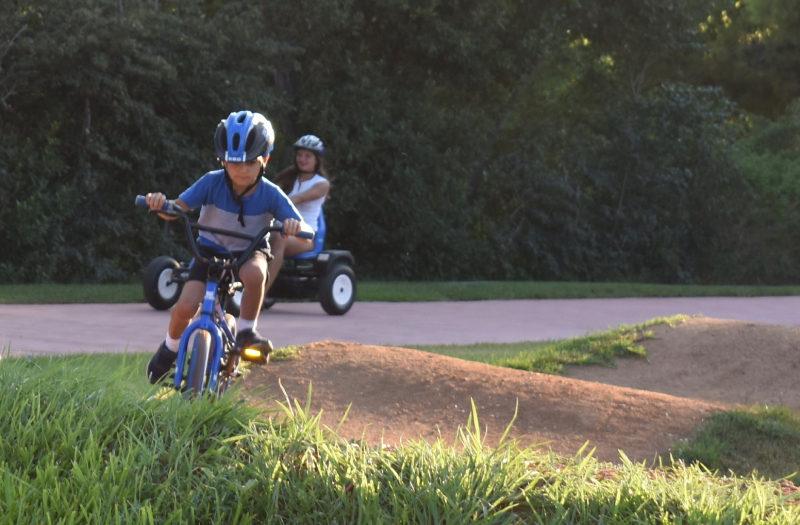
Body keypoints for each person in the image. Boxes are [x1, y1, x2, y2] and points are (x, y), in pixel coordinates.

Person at [144, 111, 313, 384]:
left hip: (248, 253)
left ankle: (246, 331)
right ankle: (169, 349)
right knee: (184, 307)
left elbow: (307, 235)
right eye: (234, 163)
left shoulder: (271, 193)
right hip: (209, 252)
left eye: (250, 162)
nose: (241, 170)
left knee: (256, 273)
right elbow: (177, 208)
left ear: (265, 160)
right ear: (222, 160)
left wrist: (295, 227)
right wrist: (160, 204)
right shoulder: (212, 182)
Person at [264, 135, 331, 295]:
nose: (302, 159)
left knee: (279, 240)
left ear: (317, 160)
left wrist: (276, 204)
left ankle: (260, 294)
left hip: (305, 236)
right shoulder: (290, 177)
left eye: (308, 156)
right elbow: (270, 192)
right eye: (300, 155)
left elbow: (298, 198)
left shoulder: (322, 184)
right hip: (279, 229)